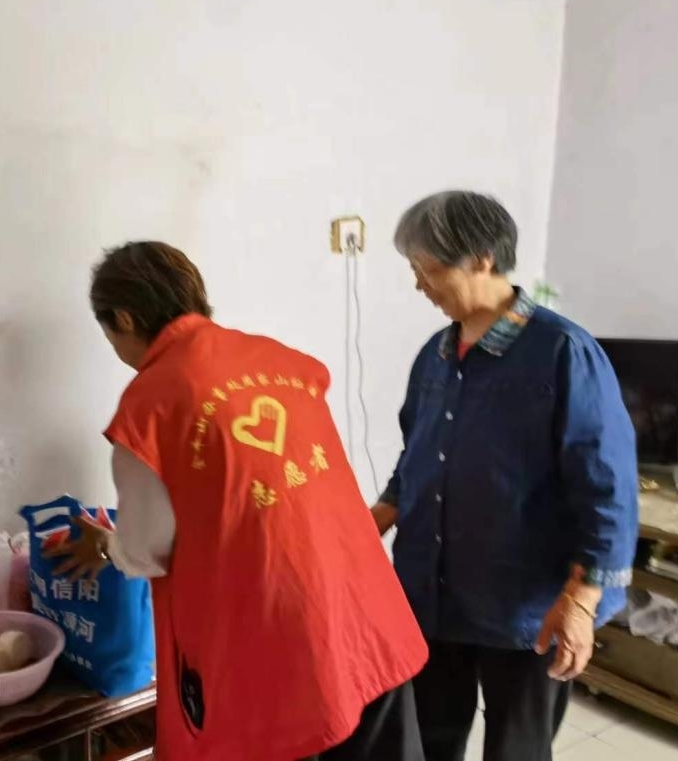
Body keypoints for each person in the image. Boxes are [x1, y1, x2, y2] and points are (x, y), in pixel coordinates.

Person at [50, 241, 429, 761]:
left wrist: (105, 546)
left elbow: (146, 551)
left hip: (284, 651)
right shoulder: (280, 361)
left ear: (124, 319)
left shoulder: (151, 407)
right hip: (365, 613)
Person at [371, 190, 639, 761]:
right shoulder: (435, 354)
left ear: (481, 258)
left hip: (526, 607)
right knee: (428, 740)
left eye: (429, 269)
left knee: (518, 749)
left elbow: (607, 489)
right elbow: (416, 458)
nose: (420, 285)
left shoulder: (563, 352)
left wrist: (582, 601)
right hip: (433, 594)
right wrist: (370, 524)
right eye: (414, 271)